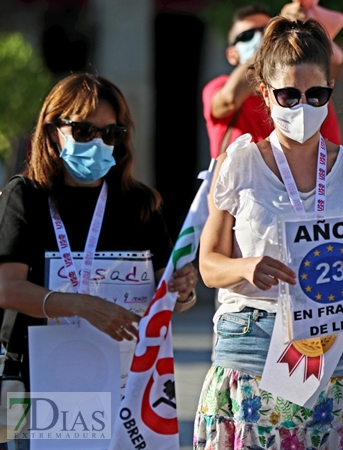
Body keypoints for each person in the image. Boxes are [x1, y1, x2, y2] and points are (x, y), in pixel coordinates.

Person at [194, 17, 343, 449]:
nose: (302, 106)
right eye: (289, 94)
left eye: (316, 94)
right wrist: (246, 266)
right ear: (266, 94)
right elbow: (209, 265)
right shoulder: (238, 166)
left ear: (330, 93)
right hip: (253, 350)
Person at [0, 74, 198, 448]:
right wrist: (81, 305)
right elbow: (6, 289)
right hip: (35, 380)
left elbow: (169, 295)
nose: (97, 142)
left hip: (122, 384)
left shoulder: (141, 204)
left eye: (110, 133)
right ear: (53, 130)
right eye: (84, 130)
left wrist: (183, 290)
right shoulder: (25, 195)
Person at [202, 3, 342, 160]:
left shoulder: (311, 93)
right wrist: (273, 42)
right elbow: (229, 99)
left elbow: (331, 152)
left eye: (265, 31)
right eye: (247, 36)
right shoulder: (217, 86)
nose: (260, 38)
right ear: (231, 54)